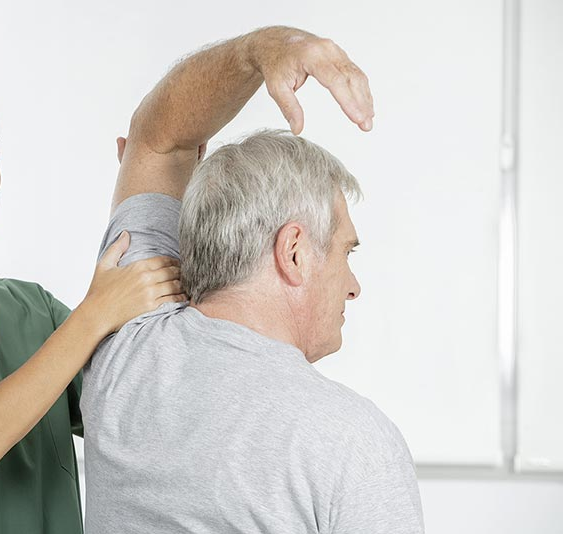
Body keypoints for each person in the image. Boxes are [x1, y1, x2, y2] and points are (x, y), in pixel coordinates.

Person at [83, 26, 424, 533]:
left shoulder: (125, 346)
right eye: (345, 253)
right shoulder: (350, 441)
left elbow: (157, 142)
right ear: (293, 252)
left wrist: (261, 50)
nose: (354, 286)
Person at [0, 162, 186, 532]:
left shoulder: (32, 309)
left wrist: (165, 195)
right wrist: (96, 313)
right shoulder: (78, 324)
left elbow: (147, 410)